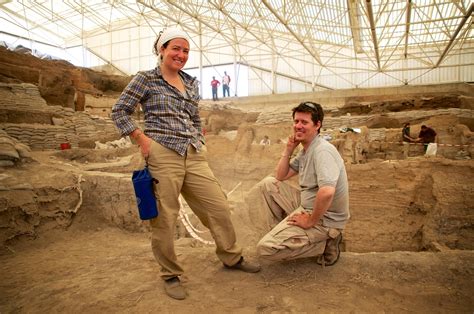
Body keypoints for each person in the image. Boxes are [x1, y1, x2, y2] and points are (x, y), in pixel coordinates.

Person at [111, 27, 260, 301]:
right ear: (162, 50)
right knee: (164, 218)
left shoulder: (191, 82)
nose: (181, 55)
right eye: (176, 49)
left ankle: (231, 256)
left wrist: (199, 139)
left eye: (186, 51)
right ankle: (170, 274)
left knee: (217, 205)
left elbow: (194, 117)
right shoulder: (146, 79)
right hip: (162, 152)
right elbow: (119, 110)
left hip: (193, 153)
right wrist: (142, 140)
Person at [256, 101, 350, 266]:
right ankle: (288, 232)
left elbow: (327, 192)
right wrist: (288, 150)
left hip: (325, 219)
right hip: (308, 205)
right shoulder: (307, 149)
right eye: (296, 121)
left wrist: (310, 221)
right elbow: (281, 175)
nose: (298, 126)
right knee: (269, 184)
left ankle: (325, 242)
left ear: (317, 125)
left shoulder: (322, 151)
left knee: (265, 249)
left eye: (304, 122)